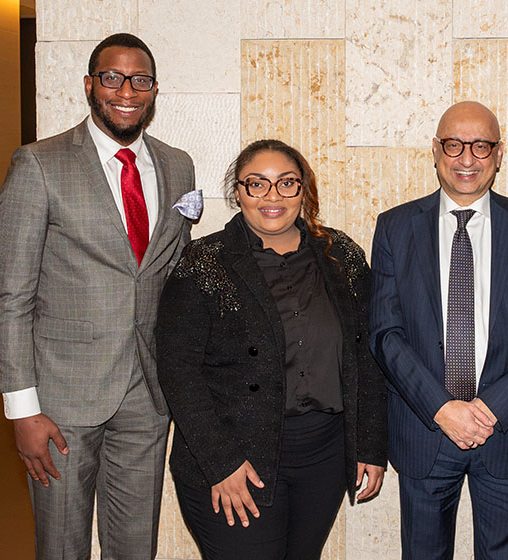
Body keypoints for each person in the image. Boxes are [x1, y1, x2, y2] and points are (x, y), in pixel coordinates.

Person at [0, 33, 195, 559]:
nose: (126, 90)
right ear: (90, 85)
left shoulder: (178, 166)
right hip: (59, 402)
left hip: (147, 397)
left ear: (154, 91)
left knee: (135, 548)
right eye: (112, 77)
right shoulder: (38, 164)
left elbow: (171, 272)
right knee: (61, 548)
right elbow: (11, 296)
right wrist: (22, 409)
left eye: (140, 80)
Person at [155, 139, 387, 559]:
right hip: (235, 460)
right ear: (238, 192)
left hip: (324, 456)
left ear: (304, 190)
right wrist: (219, 462)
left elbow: (367, 356)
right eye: (257, 184)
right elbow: (178, 371)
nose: (272, 197)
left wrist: (369, 444)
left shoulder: (342, 255)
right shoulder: (204, 262)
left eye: (287, 183)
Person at [369, 101, 508, 559]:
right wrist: (442, 408)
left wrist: (489, 409)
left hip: (507, 431)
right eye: (454, 145)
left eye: (481, 146)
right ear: (436, 151)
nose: (466, 159)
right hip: (426, 431)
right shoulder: (396, 228)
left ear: (499, 154)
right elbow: (385, 333)